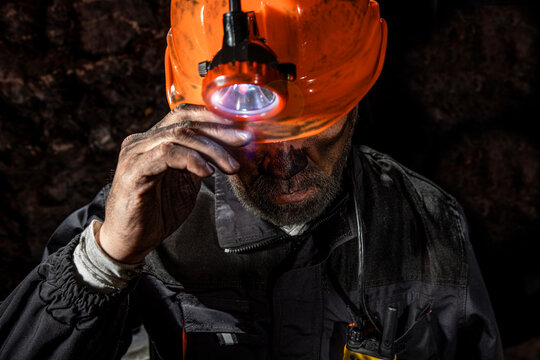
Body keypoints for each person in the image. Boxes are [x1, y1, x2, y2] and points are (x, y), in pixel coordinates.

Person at [0, 0, 503, 359]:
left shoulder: (428, 223)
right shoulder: (145, 209)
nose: (284, 162)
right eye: (250, 125)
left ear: (351, 102)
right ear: (197, 109)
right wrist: (105, 261)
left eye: (312, 129)